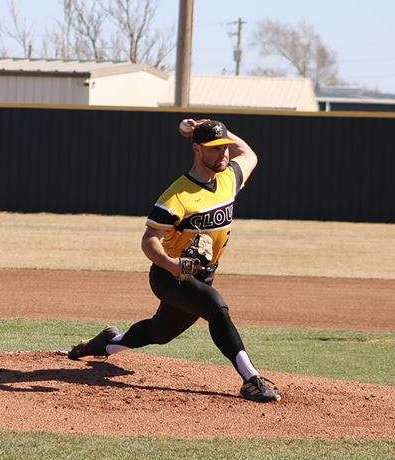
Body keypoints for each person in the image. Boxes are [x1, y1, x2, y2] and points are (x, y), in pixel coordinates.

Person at [67, 119, 281, 403]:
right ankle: (251, 379)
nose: (223, 154)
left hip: (202, 276)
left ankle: (106, 343)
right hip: (170, 277)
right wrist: (172, 264)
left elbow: (249, 154)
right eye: (214, 149)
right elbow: (149, 240)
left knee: (159, 333)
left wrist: (221, 132)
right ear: (196, 149)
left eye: (225, 148)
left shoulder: (229, 179)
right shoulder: (177, 196)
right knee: (217, 308)